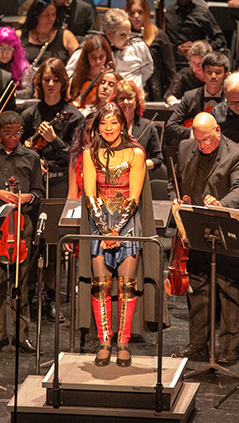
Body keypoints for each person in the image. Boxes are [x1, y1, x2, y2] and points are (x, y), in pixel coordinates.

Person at [177, 112, 239, 365]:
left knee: (229, 285)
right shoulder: (186, 147)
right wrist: (178, 198)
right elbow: (174, 181)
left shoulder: (237, 154)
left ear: (217, 131)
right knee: (198, 286)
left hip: (226, 228)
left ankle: (230, 347)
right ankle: (198, 344)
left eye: (207, 141)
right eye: (198, 141)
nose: (202, 146)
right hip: (197, 226)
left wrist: (221, 204)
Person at [83, 102, 147, 366]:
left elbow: (134, 197)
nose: (108, 128)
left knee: (127, 285)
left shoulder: (136, 153)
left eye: (113, 122)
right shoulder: (89, 153)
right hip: (99, 223)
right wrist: (104, 230)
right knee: (100, 284)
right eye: (103, 123)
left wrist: (116, 229)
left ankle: (123, 342)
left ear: (123, 124)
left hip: (128, 223)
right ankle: (104, 340)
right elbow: (89, 195)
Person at [0, 110, 43, 355]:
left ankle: (22, 335)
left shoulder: (32, 157)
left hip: (22, 226)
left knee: (21, 283)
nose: (13, 138)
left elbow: (39, 193)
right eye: (8, 133)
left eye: (17, 133)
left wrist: (28, 197)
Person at [21, 58, 83, 320]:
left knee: (54, 244)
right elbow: (20, 151)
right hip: (34, 185)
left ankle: (51, 298)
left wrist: (54, 141)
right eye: (46, 79)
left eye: (55, 79)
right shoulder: (29, 114)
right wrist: (35, 162)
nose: (50, 84)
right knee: (33, 240)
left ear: (63, 82)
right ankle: (29, 295)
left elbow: (78, 156)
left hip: (59, 183)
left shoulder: (75, 116)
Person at [164, 51, 229, 149]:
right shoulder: (190, 97)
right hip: (194, 149)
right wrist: (196, 134)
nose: (213, 76)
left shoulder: (231, 99)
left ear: (226, 73)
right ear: (203, 72)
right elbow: (170, 126)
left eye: (218, 72)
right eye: (209, 72)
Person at [165, 0, 227, 66]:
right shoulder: (166, 13)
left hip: (196, 66)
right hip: (171, 66)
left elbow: (220, 40)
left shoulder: (203, 13)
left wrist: (200, 48)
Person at [124, 0, 176, 103]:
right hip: (128, 90)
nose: (136, 16)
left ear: (146, 13)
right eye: (132, 13)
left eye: (140, 12)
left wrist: (170, 95)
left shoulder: (159, 36)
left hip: (154, 92)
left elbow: (170, 71)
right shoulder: (122, 37)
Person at [111, 80, 162, 172]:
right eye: (121, 99)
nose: (126, 102)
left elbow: (158, 160)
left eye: (129, 98)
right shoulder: (108, 125)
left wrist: (138, 164)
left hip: (139, 178)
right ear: (115, 102)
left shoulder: (147, 126)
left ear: (136, 101)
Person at [18, 0, 79, 69]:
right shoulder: (19, 36)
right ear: (36, 16)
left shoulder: (66, 36)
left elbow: (80, 61)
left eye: (54, 14)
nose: (51, 18)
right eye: (46, 15)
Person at [99, 9, 153, 91]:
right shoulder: (97, 48)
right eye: (122, 34)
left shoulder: (139, 46)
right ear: (109, 34)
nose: (127, 38)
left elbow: (148, 69)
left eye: (129, 33)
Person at [66, 34, 114, 110]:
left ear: (107, 56)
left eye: (101, 57)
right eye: (93, 57)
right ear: (86, 57)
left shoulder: (112, 79)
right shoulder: (75, 80)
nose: (97, 61)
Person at [165, 40, 210, 105]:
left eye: (200, 63)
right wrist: (177, 103)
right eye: (193, 63)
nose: (197, 67)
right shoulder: (185, 74)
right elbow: (170, 95)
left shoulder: (214, 75)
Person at [0, 27, 31, 98]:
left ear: (15, 50)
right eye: (0, 49)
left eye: (9, 49)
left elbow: (28, 92)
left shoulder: (23, 67)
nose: (4, 54)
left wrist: (12, 96)